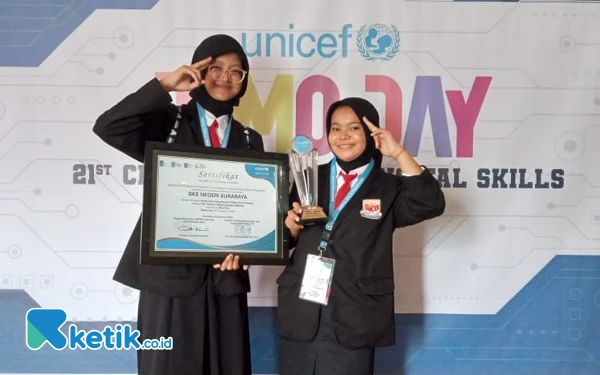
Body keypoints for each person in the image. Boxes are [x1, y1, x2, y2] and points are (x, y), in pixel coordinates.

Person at [92, 34, 263, 375]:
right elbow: (108, 126)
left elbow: (256, 211)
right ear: (199, 70)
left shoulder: (249, 139)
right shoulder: (166, 122)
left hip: (224, 280)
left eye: (236, 72)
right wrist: (167, 84)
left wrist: (256, 244)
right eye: (216, 68)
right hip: (168, 278)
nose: (225, 78)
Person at [277, 97, 446, 375]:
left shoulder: (388, 186)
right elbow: (285, 238)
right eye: (335, 128)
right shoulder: (309, 176)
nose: (343, 136)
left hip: (354, 314)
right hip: (303, 307)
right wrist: (291, 229)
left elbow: (431, 203)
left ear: (370, 133)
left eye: (354, 128)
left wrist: (399, 152)